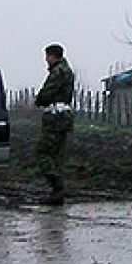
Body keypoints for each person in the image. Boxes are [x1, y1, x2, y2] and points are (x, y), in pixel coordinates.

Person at [33, 43, 75, 205]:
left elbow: (47, 92)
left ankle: (57, 186)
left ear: (52, 56)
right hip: (63, 116)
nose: (46, 60)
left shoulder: (58, 71)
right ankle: (57, 194)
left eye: (47, 56)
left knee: (43, 152)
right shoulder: (67, 70)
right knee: (57, 155)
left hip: (55, 117)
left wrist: (38, 100)